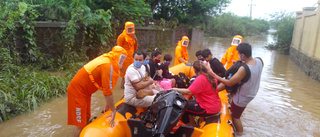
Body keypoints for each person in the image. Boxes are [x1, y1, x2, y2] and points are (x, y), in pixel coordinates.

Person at [67, 46, 127, 137]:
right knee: (80, 124)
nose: (122, 62)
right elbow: (107, 92)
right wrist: (113, 110)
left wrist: (108, 106)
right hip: (78, 91)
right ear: (117, 56)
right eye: (121, 58)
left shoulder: (108, 60)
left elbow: (108, 87)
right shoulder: (107, 65)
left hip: (86, 92)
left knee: (86, 118)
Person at [206, 43, 263, 132]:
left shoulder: (244, 69)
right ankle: (213, 92)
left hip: (243, 96)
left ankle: (240, 133)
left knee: (235, 116)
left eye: (239, 54)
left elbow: (229, 83)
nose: (239, 56)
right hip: (253, 91)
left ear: (243, 55)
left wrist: (214, 75)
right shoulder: (259, 61)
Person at [171, 60, 221, 126]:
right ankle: (193, 124)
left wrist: (174, 89)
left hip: (207, 108)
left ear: (195, 70)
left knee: (182, 107)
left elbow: (189, 91)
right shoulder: (211, 76)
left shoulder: (201, 78)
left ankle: (189, 126)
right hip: (215, 105)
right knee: (187, 102)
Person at [117, 21, 138, 88]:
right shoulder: (121, 37)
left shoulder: (133, 36)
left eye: (131, 28)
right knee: (124, 76)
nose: (130, 30)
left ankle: (127, 89)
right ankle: (122, 90)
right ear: (125, 28)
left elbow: (135, 48)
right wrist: (120, 63)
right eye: (129, 28)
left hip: (131, 59)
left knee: (130, 74)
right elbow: (118, 49)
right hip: (124, 59)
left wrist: (136, 40)